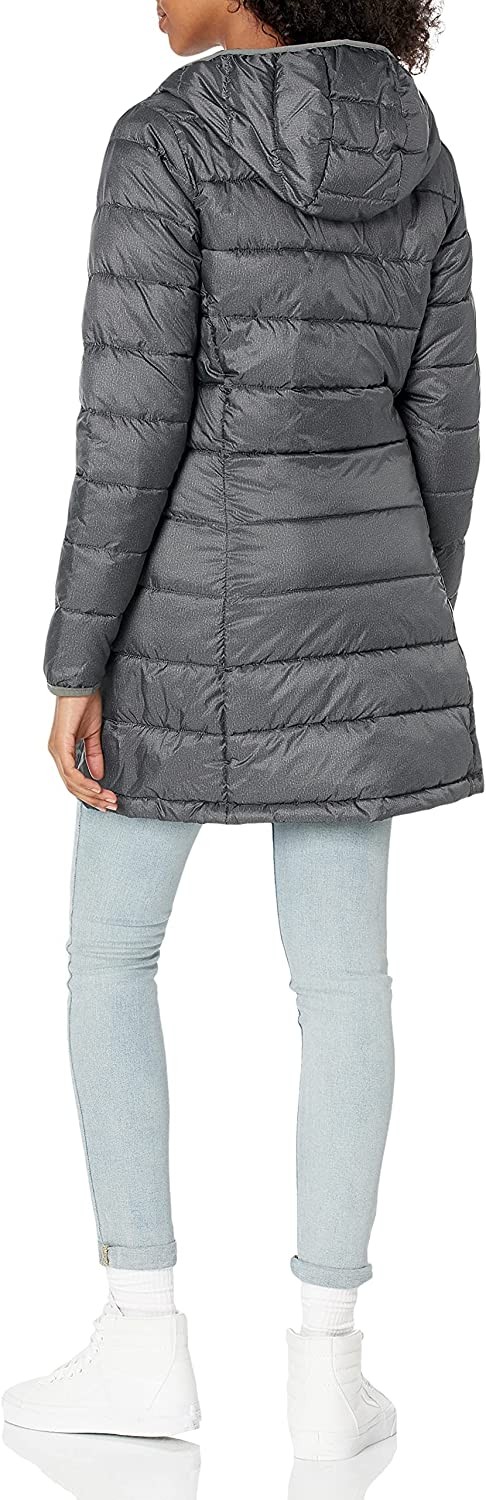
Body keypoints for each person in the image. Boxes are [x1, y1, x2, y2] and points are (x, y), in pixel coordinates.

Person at [3, 0, 482, 1463]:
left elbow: (129, 419)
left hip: (172, 619)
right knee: (345, 984)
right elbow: (447, 415)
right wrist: (395, 613)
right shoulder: (414, 145)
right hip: (360, 614)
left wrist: (75, 660)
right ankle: (329, 1372)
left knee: (110, 957)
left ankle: (141, 1343)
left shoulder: (167, 140)